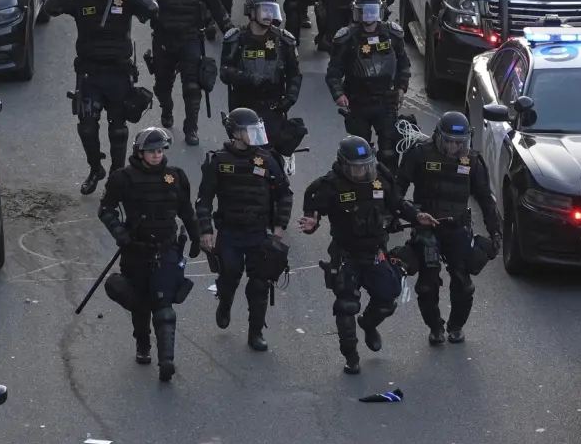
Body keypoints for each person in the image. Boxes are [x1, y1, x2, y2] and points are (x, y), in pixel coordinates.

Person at [39, 0, 160, 194]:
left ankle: (117, 174)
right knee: (86, 127)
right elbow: (50, 8)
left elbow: (152, 8)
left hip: (118, 74)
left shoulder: (124, 0)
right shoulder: (81, 1)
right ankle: (95, 169)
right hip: (90, 75)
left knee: (117, 129)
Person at [300, 136, 418, 374]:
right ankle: (351, 356)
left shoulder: (380, 179)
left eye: (367, 166)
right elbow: (313, 209)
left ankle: (369, 323)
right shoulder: (331, 186)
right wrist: (312, 221)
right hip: (347, 253)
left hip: (375, 252)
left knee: (388, 297)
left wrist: (417, 216)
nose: (364, 172)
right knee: (346, 306)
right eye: (358, 168)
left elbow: (397, 203)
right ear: (345, 166)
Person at [99, 127, 202, 381]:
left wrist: (197, 236)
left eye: (160, 150)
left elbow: (187, 211)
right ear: (140, 152)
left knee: (163, 305)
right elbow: (106, 209)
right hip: (135, 251)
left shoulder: (175, 177)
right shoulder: (123, 178)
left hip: (166, 249)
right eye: (151, 151)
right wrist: (121, 235)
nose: (156, 155)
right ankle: (142, 344)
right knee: (141, 303)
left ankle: (166, 360)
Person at [394, 111, 499, 344]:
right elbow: (396, 190)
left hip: (457, 227)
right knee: (427, 285)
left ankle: (456, 326)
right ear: (438, 136)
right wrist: (410, 214)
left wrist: (496, 231)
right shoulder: (419, 154)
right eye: (449, 141)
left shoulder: (471, 161)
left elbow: (485, 199)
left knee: (463, 283)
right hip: (426, 226)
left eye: (459, 143)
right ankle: (435, 327)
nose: (453, 147)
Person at [197, 107, 292, 350]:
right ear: (235, 133)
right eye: (249, 131)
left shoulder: (267, 160)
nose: (255, 136)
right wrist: (206, 230)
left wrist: (279, 226)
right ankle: (225, 302)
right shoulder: (219, 162)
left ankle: (255, 333)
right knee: (230, 273)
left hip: (258, 232)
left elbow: (284, 195)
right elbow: (204, 199)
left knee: (260, 283)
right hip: (229, 231)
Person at [139, 0, 232, 145]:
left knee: (192, 87)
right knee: (162, 84)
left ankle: (191, 128)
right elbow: (137, 3)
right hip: (163, 39)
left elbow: (216, 5)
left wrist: (229, 30)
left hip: (190, 38)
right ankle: (167, 109)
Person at [219, 0, 303, 157]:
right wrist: (248, 78)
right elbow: (224, 72)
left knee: (269, 155)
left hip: (273, 106)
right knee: (244, 152)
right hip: (243, 105)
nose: (269, 15)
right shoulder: (236, 39)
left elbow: (295, 74)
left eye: (271, 11)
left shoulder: (284, 41)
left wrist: (290, 98)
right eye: (264, 10)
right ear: (251, 12)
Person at [324, 0, 408, 153]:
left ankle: (386, 178)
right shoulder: (347, 38)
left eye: (372, 11)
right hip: (358, 101)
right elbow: (333, 71)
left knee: (389, 151)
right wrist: (338, 94)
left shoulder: (392, 34)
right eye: (364, 11)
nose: (369, 16)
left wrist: (401, 87)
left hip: (386, 100)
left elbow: (403, 64)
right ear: (358, 12)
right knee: (359, 151)